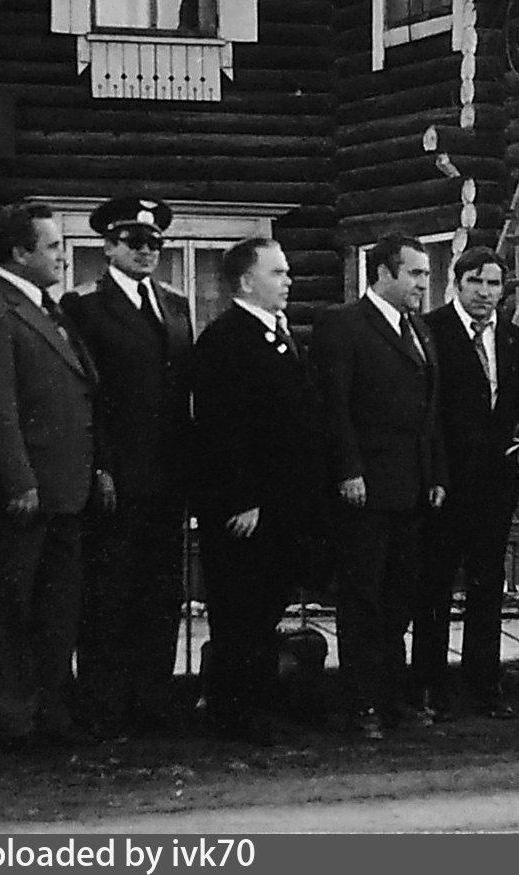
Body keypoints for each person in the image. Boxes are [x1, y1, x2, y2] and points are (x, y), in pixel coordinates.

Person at [0, 200, 101, 746]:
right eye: (53, 247)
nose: (62, 256)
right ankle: (11, 717)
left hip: (66, 488)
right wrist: (19, 480)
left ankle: (51, 712)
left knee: (57, 609)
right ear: (19, 252)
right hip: (25, 494)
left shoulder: (50, 310)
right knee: (9, 609)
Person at [62, 195, 194, 736]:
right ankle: (104, 705)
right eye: (134, 243)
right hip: (116, 473)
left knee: (161, 593)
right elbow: (87, 396)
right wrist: (100, 467)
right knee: (108, 592)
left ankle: (153, 699)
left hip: (168, 473)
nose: (146, 252)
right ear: (109, 246)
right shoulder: (84, 307)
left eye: (155, 244)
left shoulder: (177, 304)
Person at [189, 236, 329, 745]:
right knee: (240, 609)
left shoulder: (279, 333)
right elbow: (223, 427)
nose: (288, 280)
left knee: (266, 603)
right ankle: (235, 710)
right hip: (247, 508)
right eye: (278, 272)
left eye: (290, 271)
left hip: (283, 503)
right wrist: (242, 498)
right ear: (247, 281)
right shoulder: (227, 338)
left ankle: (257, 703)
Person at [316, 233, 447, 741]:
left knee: (400, 599)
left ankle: (394, 698)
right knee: (363, 598)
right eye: (415, 273)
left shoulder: (419, 330)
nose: (423, 283)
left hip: (411, 488)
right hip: (365, 489)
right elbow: (335, 406)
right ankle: (362, 703)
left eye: (425, 274)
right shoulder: (343, 325)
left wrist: (435, 474)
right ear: (384, 273)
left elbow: (428, 411)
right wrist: (349, 471)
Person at [412, 246, 519, 720]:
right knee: (434, 585)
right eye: (476, 282)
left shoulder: (514, 339)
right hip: (443, 481)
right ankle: (428, 687)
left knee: (487, 584)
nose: (485, 293)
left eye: (494, 284)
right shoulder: (430, 331)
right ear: (456, 284)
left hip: (495, 481)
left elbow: (518, 409)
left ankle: (483, 686)